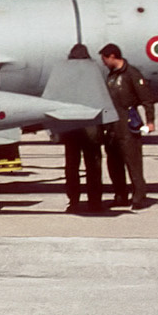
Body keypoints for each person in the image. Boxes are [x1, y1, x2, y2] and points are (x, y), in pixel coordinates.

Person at [99, 43, 156, 207]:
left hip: (128, 124)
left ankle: (139, 195)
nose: (103, 62)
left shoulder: (132, 74)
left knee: (133, 162)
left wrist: (150, 121)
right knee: (114, 163)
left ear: (112, 56)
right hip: (112, 125)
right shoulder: (110, 76)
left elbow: (146, 99)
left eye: (104, 58)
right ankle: (120, 194)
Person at [57, 44, 104, 212]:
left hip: (72, 127)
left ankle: (74, 201)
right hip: (90, 127)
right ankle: (95, 202)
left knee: (72, 166)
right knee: (93, 166)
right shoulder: (95, 74)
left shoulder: (65, 76)